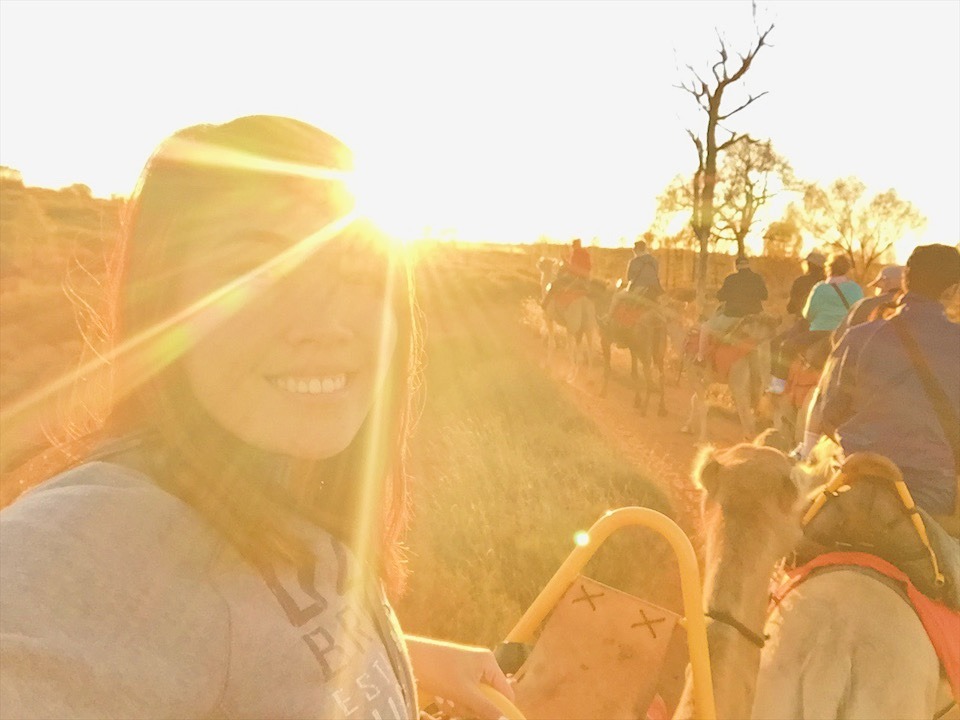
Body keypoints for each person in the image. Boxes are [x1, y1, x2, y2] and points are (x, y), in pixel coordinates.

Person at [0, 116, 513, 719]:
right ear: (167, 303)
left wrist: (406, 658)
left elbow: (252, 626)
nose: (326, 323)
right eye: (260, 273)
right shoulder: (93, 540)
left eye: (357, 267)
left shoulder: (277, 480)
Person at [810, 244, 960, 600]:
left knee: (782, 551)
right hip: (929, 494)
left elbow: (828, 415)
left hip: (852, 483)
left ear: (905, 280)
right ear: (953, 290)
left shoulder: (858, 337)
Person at [768, 253, 863, 394]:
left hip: (820, 332)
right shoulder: (856, 288)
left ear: (828, 268)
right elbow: (859, 312)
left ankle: (777, 386)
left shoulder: (820, 288)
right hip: (846, 333)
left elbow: (808, 314)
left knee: (786, 347)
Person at [696, 255, 768, 364]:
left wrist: (714, 295)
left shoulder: (731, 279)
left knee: (705, 327)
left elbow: (721, 297)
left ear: (737, 266)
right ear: (748, 265)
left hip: (734, 317)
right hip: (755, 317)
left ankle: (700, 358)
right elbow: (765, 296)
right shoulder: (757, 278)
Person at [831, 264, 904, 344]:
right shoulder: (913, 307)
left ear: (886, 282)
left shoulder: (864, 305)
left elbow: (839, 337)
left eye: (877, 286)